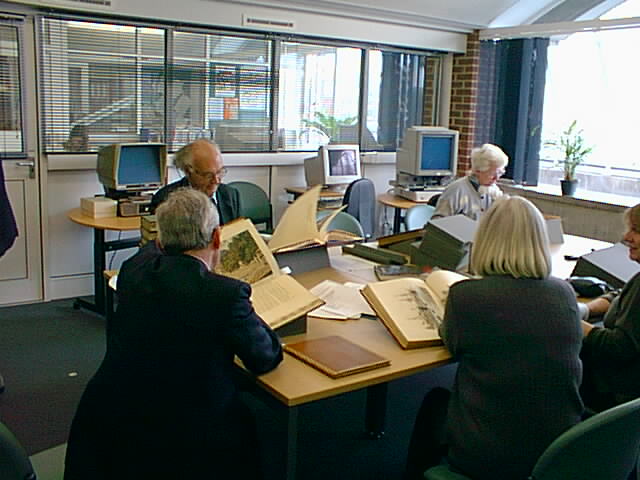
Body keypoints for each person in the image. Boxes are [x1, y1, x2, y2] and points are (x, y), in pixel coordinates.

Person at [64, 188, 283, 480]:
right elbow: (264, 358)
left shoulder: (132, 271)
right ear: (217, 238)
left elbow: (153, 255)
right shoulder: (226, 295)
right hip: (189, 438)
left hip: (111, 427)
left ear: (159, 240)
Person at [404, 196, 584, 480]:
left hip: (491, 459)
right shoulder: (563, 293)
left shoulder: (467, 296)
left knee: (435, 403)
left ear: (485, 239)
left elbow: (453, 344)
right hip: (558, 451)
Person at [579, 202, 640, 412]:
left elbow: (619, 347)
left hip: (617, 398)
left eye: (636, 230)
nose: (626, 237)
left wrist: (576, 324)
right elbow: (621, 294)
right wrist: (588, 310)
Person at [150, 138, 240, 224]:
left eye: (219, 172)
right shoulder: (166, 200)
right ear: (188, 171)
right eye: (208, 175)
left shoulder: (231, 195)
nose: (216, 181)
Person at [432, 143, 509, 221]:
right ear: (478, 171)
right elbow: (437, 222)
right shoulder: (456, 190)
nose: (496, 178)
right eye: (492, 174)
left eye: (500, 173)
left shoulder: (494, 191)